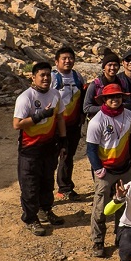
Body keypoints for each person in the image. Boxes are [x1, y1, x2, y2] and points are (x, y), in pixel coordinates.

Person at [13, 61, 65, 236]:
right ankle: (30, 218)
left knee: (47, 182)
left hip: (49, 147)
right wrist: (40, 115)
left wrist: (63, 140)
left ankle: (45, 210)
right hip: (30, 150)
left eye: (48, 75)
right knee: (30, 185)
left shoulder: (55, 94)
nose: (45, 78)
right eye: (42, 75)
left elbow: (60, 118)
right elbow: (17, 124)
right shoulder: (25, 97)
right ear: (33, 77)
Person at [85, 83, 131, 257]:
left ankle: (121, 236)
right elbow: (91, 149)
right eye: (111, 97)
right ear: (104, 100)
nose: (115, 99)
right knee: (100, 207)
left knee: (123, 204)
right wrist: (98, 169)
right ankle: (98, 240)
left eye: (118, 96)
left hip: (125, 168)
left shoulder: (129, 115)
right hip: (106, 171)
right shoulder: (97, 121)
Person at [51, 47, 86, 203]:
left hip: (73, 125)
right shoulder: (52, 78)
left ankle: (65, 188)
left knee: (68, 155)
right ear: (56, 61)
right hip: (54, 126)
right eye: (64, 58)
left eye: (70, 58)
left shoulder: (77, 77)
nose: (67, 61)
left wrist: (82, 116)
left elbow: (83, 97)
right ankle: (45, 192)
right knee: (51, 157)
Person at [84, 52, 130, 120]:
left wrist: (116, 106)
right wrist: (106, 108)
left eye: (115, 65)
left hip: (118, 120)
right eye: (109, 65)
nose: (112, 68)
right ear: (104, 68)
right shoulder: (95, 85)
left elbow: (128, 103)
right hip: (98, 121)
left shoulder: (122, 83)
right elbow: (86, 108)